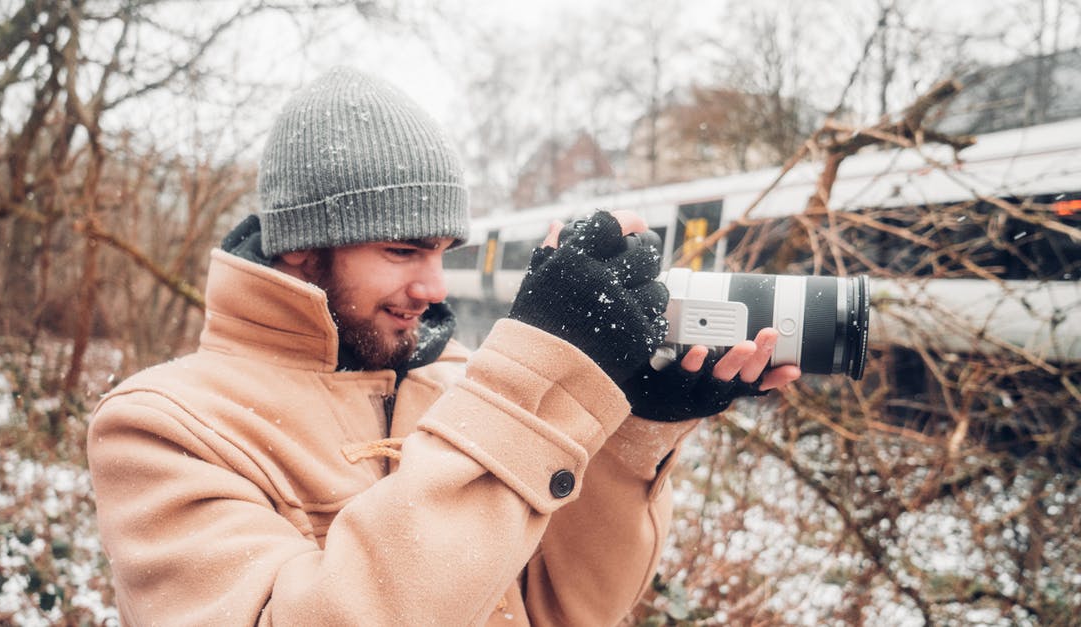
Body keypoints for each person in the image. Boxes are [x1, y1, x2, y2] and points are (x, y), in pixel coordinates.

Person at [86, 67, 800, 626]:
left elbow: (569, 609)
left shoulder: (459, 385)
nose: (434, 284)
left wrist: (634, 435)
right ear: (302, 250)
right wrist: (526, 387)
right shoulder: (162, 425)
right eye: (402, 250)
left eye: (442, 251)